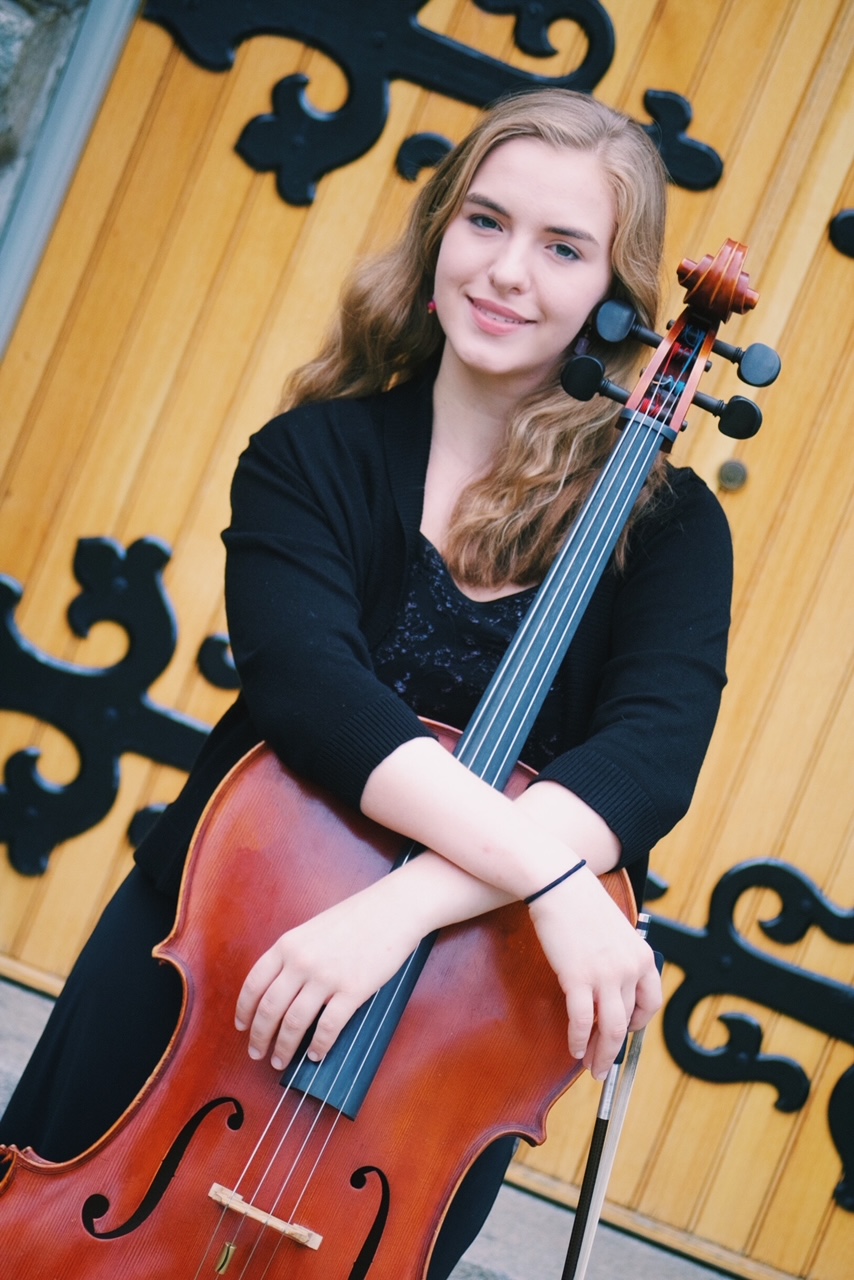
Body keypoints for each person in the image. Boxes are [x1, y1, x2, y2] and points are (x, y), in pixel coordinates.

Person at [0, 88, 732, 1277]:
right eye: (485, 221)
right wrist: (553, 878)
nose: (506, 271)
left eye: (562, 247)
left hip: (446, 1046)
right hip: (207, 975)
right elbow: (313, 695)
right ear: (439, 231)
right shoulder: (312, 456)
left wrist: (397, 909)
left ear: (614, 294)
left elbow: (646, 755)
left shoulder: (669, 526)